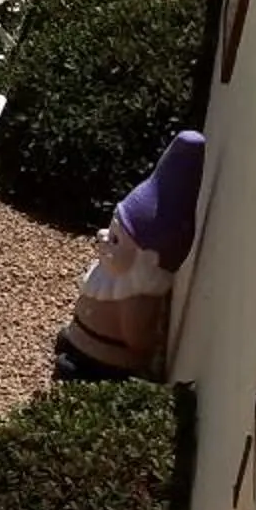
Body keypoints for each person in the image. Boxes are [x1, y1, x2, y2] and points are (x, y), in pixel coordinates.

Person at [55, 130, 205, 381]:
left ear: (147, 261)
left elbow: (138, 340)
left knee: (74, 372)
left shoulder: (136, 298)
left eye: (114, 239)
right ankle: (74, 343)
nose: (102, 236)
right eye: (109, 229)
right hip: (81, 335)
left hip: (108, 358)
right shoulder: (114, 277)